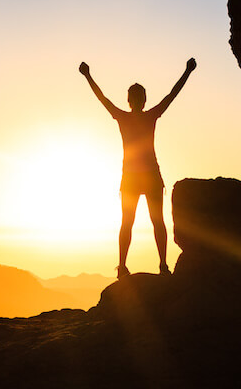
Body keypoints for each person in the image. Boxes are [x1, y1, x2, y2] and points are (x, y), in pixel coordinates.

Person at [79, 58, 196, 279]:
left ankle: (124, 267)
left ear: (130, 100)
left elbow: (102, 98)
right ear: (142, 100)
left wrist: (87, 76)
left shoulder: (122, 117)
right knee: (156, 222)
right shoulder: (150, 116)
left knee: (129, 223)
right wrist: (187, 71)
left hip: (133, 177)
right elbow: (172, 95)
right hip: (150, 176)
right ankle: (161, 266)